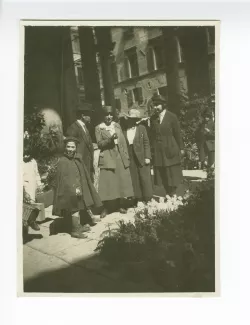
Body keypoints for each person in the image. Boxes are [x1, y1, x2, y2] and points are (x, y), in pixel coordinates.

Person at [52, 137, 103, 239]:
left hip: (80, 187)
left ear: (76, 148)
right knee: (74, 207)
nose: (70, 149)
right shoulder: (63, 161)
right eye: (68, 147)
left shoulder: (78, 158)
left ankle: (79, 225)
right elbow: (64, 180)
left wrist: (82, 187)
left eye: (72, 147)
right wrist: (74, 188)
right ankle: (75, 230)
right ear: (65, 147)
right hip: (70, 190)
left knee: (81, 205)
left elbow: (82, 174)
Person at [95, 106, 134, 218]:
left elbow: (123, 142)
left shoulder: (117, 125)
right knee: (108, 182)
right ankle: (106, 207)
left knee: (120, 180)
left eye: (111, 114)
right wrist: (110, 139)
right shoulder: (99, 128)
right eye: (107, 115)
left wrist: (126, 156)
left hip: (119, 155)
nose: (109, 117)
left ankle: (119, 205)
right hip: (107, 156)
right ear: (103, 116)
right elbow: (99, 144)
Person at [150, 94, 184, 196]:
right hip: (158, 150)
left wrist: (181, 148)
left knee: (172, 172)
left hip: (170, 147)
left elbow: (177, 133)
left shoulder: (172, 117)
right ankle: (167, 192)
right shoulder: (153, 119)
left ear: (163, 105)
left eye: (157, 105)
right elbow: (152, 135)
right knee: (162, 172)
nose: (155, 107)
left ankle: (173, 193)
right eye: (154, 105)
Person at [124, 108, 153, 204]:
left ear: (137, 119)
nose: (132, 121)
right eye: (130, 119)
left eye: (134, 119)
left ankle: (148, 198)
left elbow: (146, 143)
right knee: (134, 177)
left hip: (141, 155)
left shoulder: (141, 128)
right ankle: (138, 198)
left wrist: (147, 156)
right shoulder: (125, 129)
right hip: (130, 154)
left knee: (144, 177)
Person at [66, 103, 94, 181]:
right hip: (79, 163)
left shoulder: (85, 127)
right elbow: (70, 148)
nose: (91, 117)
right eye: (89, 114)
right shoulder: (73, 128)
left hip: (87, 163)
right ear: (83, 115)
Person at [23, 132, 44, 231]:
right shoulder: (20, 162)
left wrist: (39, 184)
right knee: (25, 206)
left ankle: (30, 221)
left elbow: (36, 174)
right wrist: (23, 190)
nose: (26, 156)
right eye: (24, 153)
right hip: (24, 186)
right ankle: (26, 224)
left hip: (32, 186)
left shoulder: (33, 161)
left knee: (31, 205)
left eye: (28, 153)